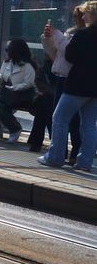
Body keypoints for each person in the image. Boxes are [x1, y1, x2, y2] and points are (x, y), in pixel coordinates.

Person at [38, 0, 97, 174]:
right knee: (89, 124)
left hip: (77, 85)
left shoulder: (82, 35)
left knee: (59, 118)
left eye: (86, 13)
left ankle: (55, 157)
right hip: (95, 88)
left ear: (92, 15)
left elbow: (70, 56)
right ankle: (85, 162)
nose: (83, 16)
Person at [37, 8, 86, 158]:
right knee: (60, 116)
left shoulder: (83, 35)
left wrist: (57, 39)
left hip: (76, 79)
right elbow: (56, 54)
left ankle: (70, 152)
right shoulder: (70, 33)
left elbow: (67, 55)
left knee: (72, 118)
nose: (75, 19)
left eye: (78, 16)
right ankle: (61, 151)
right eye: (74, 16)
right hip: (62, 77)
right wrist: (48, 38)